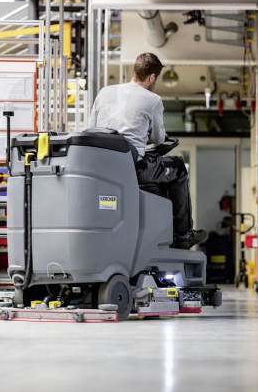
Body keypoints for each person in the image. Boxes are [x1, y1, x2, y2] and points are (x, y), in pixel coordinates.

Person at [88, 52, 208, 250]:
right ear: (152, 77)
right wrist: (157, 133)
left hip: (101, 166)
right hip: (132, 167)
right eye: (156, 79)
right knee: (178, 167)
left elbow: (92, 129)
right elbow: (158, 139)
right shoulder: (152, 100)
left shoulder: (104, 92)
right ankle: (182, 234)